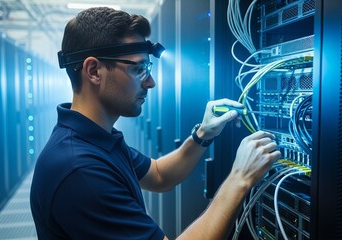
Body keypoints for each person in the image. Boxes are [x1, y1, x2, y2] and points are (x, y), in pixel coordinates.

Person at [29, 7, 281, 240]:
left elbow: (159, 175)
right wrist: (240, 178)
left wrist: (203, 134)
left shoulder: (94, 139)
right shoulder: (80, 171)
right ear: (94, 71)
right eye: (139, 69)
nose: (150, 82)